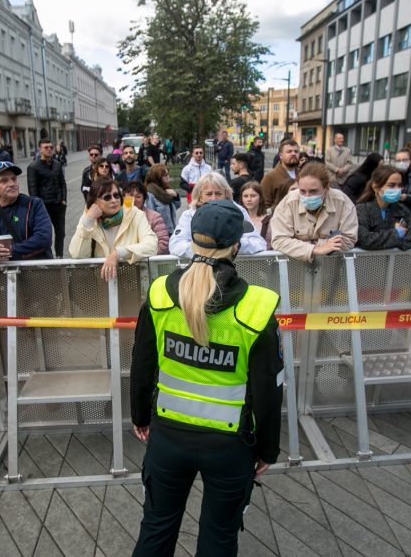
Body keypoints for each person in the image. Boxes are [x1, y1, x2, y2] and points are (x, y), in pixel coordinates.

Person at [129, 199, 283, 556]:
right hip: (230, 448)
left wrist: (139, 417)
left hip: (168, 439)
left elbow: (140, 366)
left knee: (155, 530)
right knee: (219, 539)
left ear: (192, 240)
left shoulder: (159, 293)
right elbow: (268, 393)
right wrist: (268, 449)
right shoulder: (257, 309)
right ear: (237, 246)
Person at [68, 178, 157, 279]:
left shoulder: (135, 214)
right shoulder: (88, 218)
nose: (114, 200)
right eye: (107, 197)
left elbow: (152, 245)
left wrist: (119, 253)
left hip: (131, 284)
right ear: (95, 202)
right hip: (100, 284)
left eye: (116, 195)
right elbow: (77, 254)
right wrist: (88, 221)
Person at [270, 161, 358, 261]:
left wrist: (299, 245)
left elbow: (349, 239)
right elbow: (279, 240)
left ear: (326, 188)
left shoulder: (342, 202)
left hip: (330, 268)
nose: (307, 196)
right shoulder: (289, 202)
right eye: (302, 191)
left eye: (313, 191)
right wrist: (316, 249)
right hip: (296, 269)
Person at [170, 172, 267, 258]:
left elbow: (258, 243)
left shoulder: (239, 212)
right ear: (200, 196)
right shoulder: (189, 215)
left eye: (218, 193)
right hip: (200, 271)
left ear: (226, 193)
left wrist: (233, 245)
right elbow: (176, 244)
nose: (214, 198)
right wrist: (206, 248)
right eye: (208, 194)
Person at [355, 166, 411, 250]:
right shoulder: (362, 209)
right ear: (376, 187)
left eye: (399, 185)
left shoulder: (402, 209)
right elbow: (365, 240)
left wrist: (392, 241)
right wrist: (397, 233)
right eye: (391, 185)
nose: (397, 189)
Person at [27, 137, 68, 258]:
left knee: (61, 233)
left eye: (51, 147)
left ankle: (60, 256)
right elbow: (32, 190)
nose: (49, 150)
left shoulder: (57, 164)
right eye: (46, 147)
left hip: (59, 205)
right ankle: (48, 257)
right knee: (46, 234)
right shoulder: (33, 167)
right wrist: (38, 207)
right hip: (44, 206)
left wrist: (64, 199)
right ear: (40, 149)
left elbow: (63, 183)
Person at [123, 180, 169, 254]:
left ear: (144, 199)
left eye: (138, 197)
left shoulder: (154, 217)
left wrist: (140, 255)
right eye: (130, 196)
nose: (134, 200)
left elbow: (163, 244)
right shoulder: (117, 217)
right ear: (123, 198)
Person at [261, 140, 301, 209]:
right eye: (289, 151)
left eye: (296, 151)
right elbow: (263, 205)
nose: (293, 154)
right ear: (281, 156)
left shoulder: (303, 174)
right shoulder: (270, 177)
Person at [144, 164, 180, 234]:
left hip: (171, 231)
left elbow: (176, 207)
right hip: (160, 234)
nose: (168, 177)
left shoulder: (165, 189)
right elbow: (151, 218)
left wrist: (176, 196)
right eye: (165, 175)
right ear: (158, 177)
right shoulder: (150, 194)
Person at [239, 181, 271, 246]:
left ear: (260, 198)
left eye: (253, 196)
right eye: (245, 196)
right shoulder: (237, 220)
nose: (249, 199)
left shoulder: (270, 220)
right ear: (241, 199)